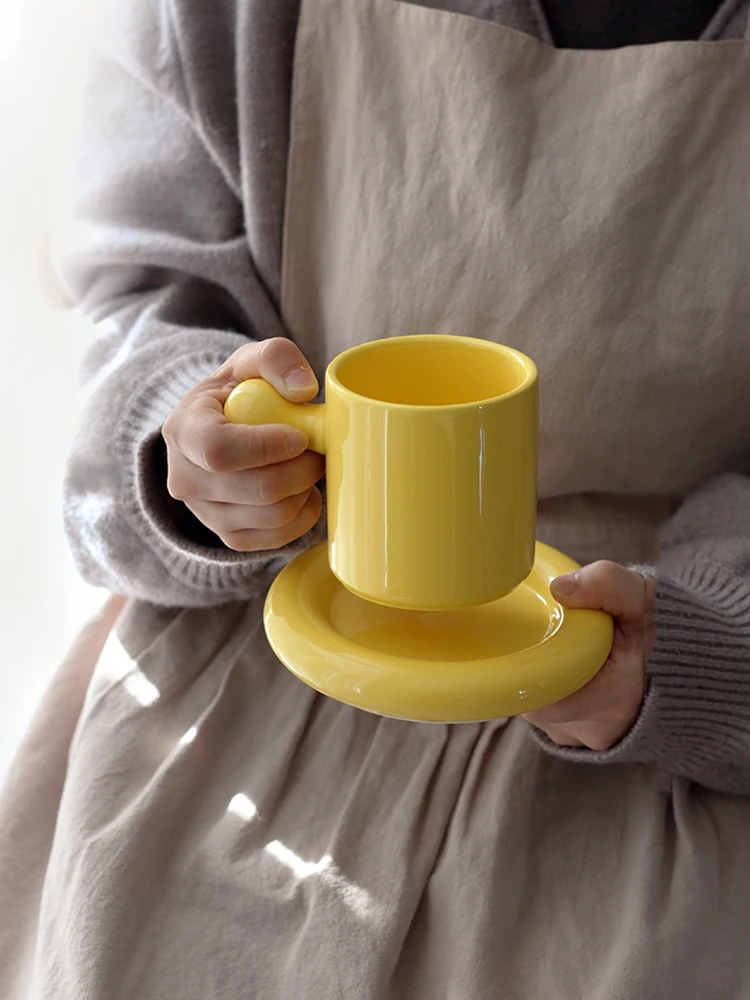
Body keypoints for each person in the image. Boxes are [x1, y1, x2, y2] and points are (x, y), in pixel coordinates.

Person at [2, 0, 750, 997]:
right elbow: (127, 324)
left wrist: (701, 654)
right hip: (244, 678)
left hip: (660, 749)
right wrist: (191, 457)